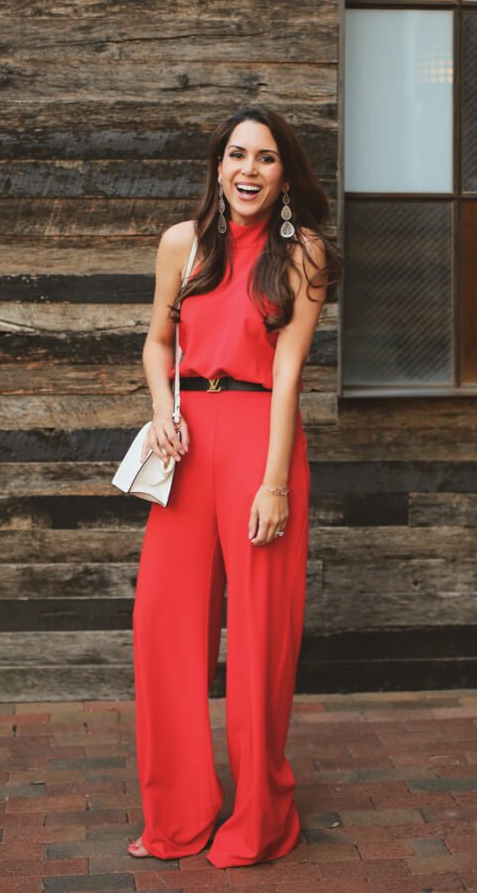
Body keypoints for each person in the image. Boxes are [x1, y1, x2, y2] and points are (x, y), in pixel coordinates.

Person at [128, 104, 340, 868]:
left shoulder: (301, 254)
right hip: (186, 443)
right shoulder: (180, 246)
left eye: (267, 158)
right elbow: (156, 343)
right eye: (237, 155)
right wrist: (161, 411)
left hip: (259, 441)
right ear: (217, 166)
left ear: (285, 176)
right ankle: (179, 816)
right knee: (163, 629)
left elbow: (286, 378)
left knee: (257, 641)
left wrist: (275, 483)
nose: (249, 170)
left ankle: (258, 820)